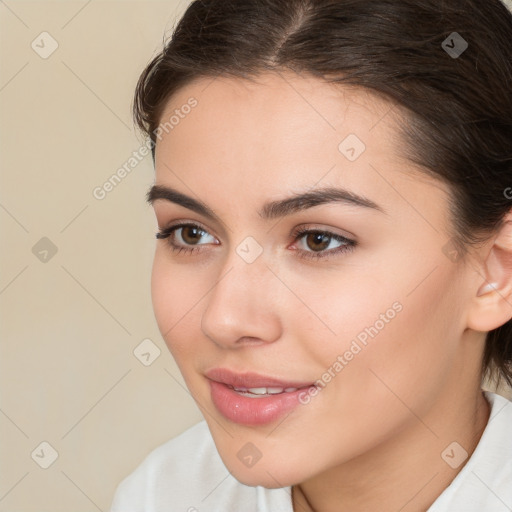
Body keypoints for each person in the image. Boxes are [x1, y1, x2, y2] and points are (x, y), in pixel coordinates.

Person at [110, 0, 512, 510]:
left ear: (496, 271)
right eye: (190, 233)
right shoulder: (163, 495)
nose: (224, 319)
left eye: (318, 240)